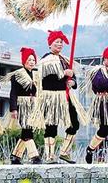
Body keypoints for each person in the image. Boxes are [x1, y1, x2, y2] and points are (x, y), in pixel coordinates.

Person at [31, 30, 86, 164]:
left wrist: (73, 81)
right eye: (57, 42)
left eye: (61, 42)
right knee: (51, 125)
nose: (60, 44)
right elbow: (48, 77)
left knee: (74, 123)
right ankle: (50, 156)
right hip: (52, 96)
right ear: (50, 44)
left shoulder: (64, 59)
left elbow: (72, 76)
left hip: (66, 96)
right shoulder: (46, 60)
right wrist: (63, 73)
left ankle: (64, 152)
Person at [7, 47, 42, 164]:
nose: (32, 62)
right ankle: (34, 156)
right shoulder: (18, 74)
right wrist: (13, 109)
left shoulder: (36, 75)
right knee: (27, 130)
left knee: (27, 130)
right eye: (29, 59)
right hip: (22, 105)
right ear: (24, 61)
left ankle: (15, 156)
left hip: (32, 105)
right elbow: (13, 92)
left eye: (33, 60)